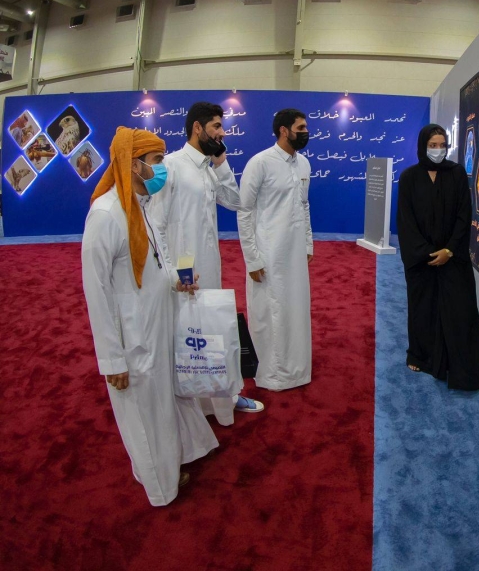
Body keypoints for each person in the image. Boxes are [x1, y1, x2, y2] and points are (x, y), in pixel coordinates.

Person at [81, 127, 218, 506]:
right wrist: (111, 359)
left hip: (158, 325)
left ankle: (169, 465)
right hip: (131, 339)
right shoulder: (106, 215)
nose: (163, 169)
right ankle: (160, 488)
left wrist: (178, 281)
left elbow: (158, 261)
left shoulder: (140, 206)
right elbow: (96, 292)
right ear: (134, 165)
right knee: (142, 415)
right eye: (157, 161)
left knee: (161, 404)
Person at [150, 101, 264, 423]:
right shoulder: (170, 166)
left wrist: (221, 162)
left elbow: (236, 202)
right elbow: (157, 225)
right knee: (186, 339)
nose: (222, 132)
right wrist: (175, 272)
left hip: (210, 269)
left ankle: (223, 400)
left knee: (213, 335)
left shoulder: (208, 170)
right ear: (197, 128)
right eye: (216, 126)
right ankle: (192, 409)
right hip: (183, 276)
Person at [396, 124, 479, 391]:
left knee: (460, 309)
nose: (438, 150)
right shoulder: (409, 177)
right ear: (422, 146)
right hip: (421, 260)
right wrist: (426, 252)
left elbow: (464, 215)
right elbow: (406, 221)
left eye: (442, 145)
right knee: (422, 308)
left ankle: (461, 366)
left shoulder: (456, 173)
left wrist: (449, 250)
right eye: (432, 145)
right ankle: (420, 356)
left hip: (453, 257)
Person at [237, 109, 313, 391]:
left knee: (295, 308)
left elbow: (304, 205)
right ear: (284, 130)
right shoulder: (260, 163)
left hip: (295, 252)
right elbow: (244, 211)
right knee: (270, 312)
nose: (306, 132)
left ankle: (297, 369)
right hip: (268, 253)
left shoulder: (304, 164)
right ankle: (271, 374)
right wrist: (252, 258)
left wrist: (307, 242)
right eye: (301, 128)